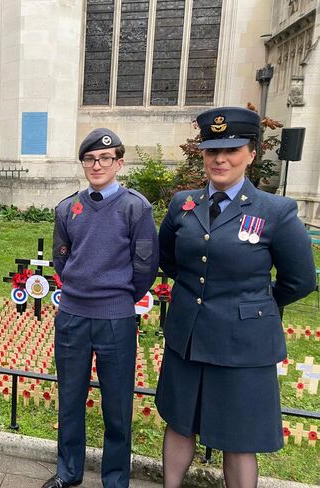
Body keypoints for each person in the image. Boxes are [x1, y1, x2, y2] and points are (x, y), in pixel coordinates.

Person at [156, 107, 316, 488]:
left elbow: (300, 279)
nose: (220, 159)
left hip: (242, 344)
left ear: (252, 153)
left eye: (232, 149)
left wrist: (255, 306)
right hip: (188, 339)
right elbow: (169, 259)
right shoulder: (184, 204)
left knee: (238, 439)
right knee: (180, 423)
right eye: (212, 151)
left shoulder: (275, 211)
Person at [48, 128, 159, 488]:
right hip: (73, 315)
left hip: (116, 317)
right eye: (90, 158)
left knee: (117, 405)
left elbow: (145, 266)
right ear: (83, 163)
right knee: (70, 399)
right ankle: (68, 472)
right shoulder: (68, 208)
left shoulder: (135, 207)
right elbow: (61, 261)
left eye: (105, 158)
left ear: (119, 163)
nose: (97, 165)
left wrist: (117, 297)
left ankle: (115, 480)